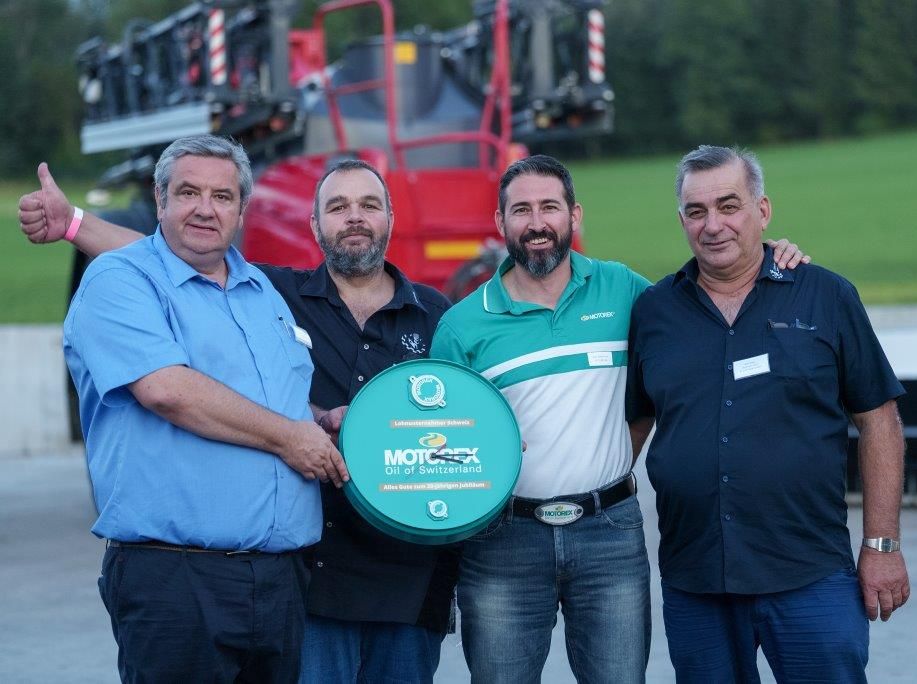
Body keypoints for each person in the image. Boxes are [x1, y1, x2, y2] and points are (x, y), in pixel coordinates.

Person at [19, 158, 456, 682]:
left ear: (391, 217)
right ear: (315, 225)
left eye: (369, 205)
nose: (355, 217)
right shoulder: (274, 293)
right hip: (317, 581)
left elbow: (463, 414)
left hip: (404, 578)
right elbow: (165, 256)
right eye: (338, 206)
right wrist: (74, 224)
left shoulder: (435, 313)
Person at [429, 154, 807, 683]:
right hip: (503, 542)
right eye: (521, 210)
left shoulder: (624, 290)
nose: (537, 223)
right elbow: (442, 444)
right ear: (500, 222)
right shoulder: (461, 326)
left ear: (574, 215)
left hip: (608, 534)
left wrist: (769, 254)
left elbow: (707, 297)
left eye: (549, 207)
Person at [626, 145, 910, 683]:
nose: (713, 225)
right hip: (696, 580)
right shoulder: (654, 311)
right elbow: (631, 427)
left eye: (729, 205)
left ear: (763, 210)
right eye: (696, 211)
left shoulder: (826, 296)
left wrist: (882, 545)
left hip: (809, 575)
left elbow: (879, 420)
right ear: (682, 220)